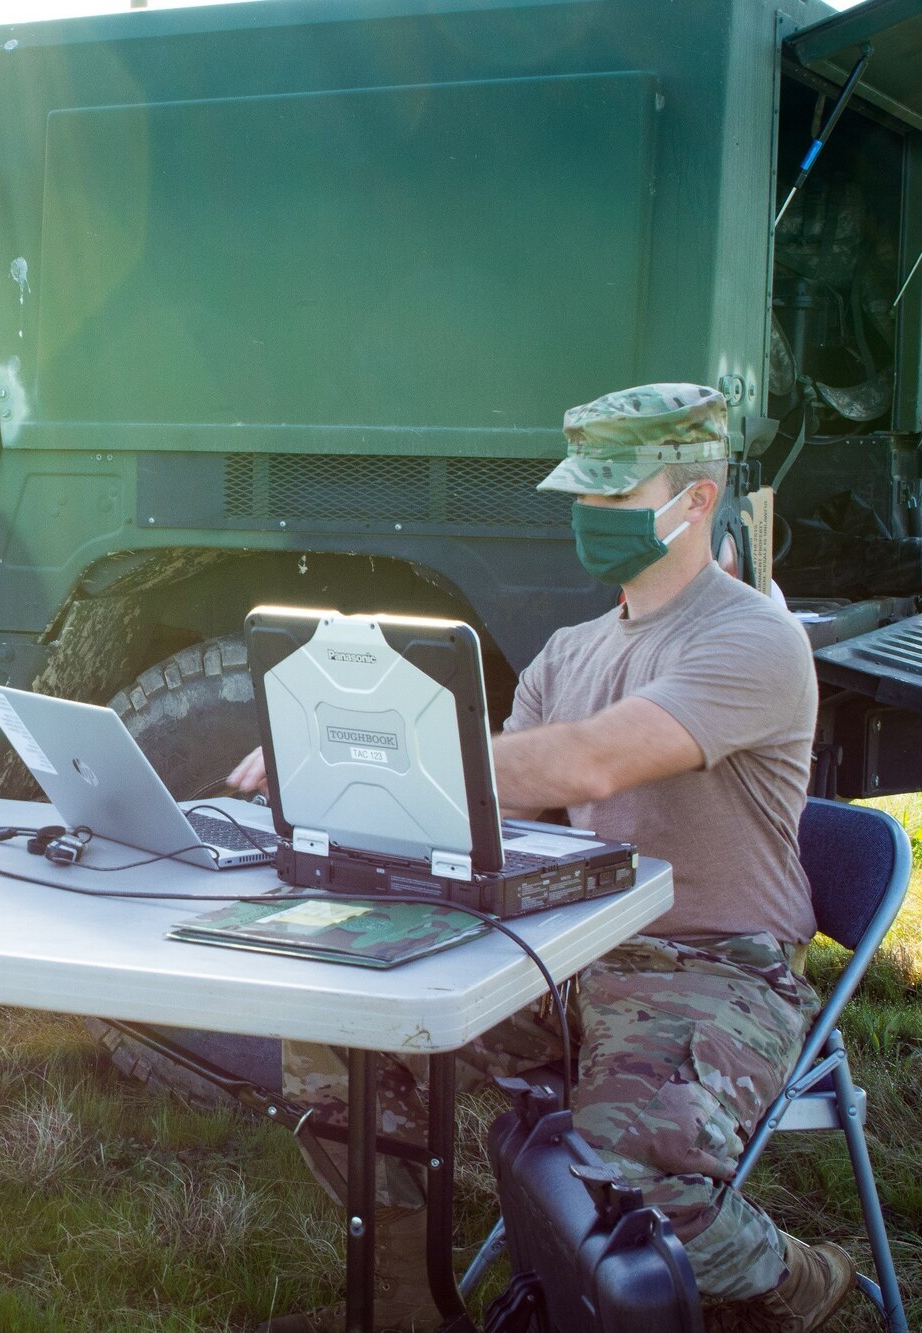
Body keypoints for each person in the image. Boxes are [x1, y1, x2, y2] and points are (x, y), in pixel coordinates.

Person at [226, 385, 850, 1331]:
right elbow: (501, 807)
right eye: (582, 497)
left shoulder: (750, 639)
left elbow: (591, 758)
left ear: (695, 499)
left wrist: (387, 749)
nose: (589, 519)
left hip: (712, 962)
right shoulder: (572, 649)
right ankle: (402, 1309)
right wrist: (349, 775)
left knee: (627, 1182)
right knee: (341, 1028)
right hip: (569, 950)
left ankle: (791, 1276)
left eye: (614, 496)